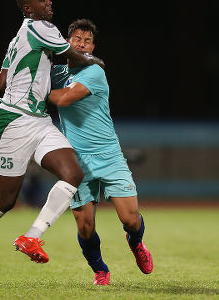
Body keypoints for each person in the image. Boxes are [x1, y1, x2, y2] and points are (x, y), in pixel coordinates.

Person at [0, 0, 104, 284]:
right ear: (28, 9)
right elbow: (74, 57)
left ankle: (31, 237)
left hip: (38, 119)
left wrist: (36, 64)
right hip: (13, 121)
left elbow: (0, 82)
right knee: (7, 200)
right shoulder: (40, 27)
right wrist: (93, 61)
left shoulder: (18, 38)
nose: (49, 2)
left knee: (73, 173)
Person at [48, 19, 153, 285]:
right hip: (76, 161)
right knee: (85, 227)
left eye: (86, 40)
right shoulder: (58, 72)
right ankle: (100, 270)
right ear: (67, 42)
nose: (81, 43)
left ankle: (136, 241)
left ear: (92, 47)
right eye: (76, 38)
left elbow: (63, 99)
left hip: (108, 154)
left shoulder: (94, 72)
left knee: (130, 219)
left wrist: (38, 90)